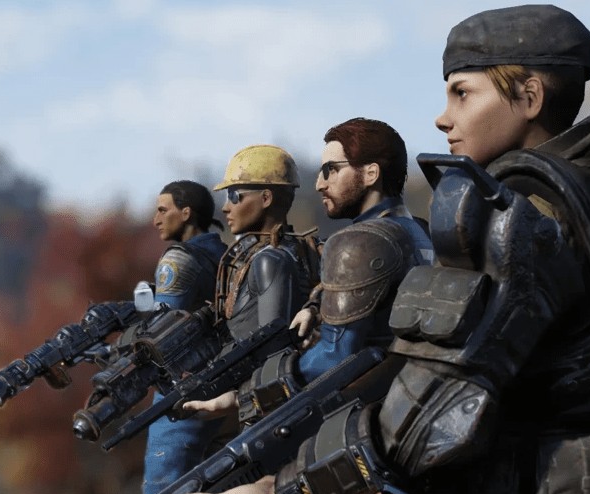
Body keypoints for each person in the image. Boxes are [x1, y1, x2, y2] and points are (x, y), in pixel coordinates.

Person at [186, 4, 590, 494]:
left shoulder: (517, 217)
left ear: (529, 98)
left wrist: (273, 491)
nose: (443, 117)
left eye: (462, 93)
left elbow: (425, 418)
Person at [184, 117, 434, 426]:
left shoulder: (358, 242)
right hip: (417, 404)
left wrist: (245, 397)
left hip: (370, 418)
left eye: (331, 170)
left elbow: (334, 356)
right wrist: (316, 305)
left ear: (371, 173)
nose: (319, 184)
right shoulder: (420, 231)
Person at [143, 148, 319, 494]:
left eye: (236, 196)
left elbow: (269, 346)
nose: (226, 207)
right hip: (247, 399)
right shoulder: (284, 251)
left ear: (266, 198)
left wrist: (232, 398)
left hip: (258, 408)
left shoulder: (270, 259)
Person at [141, 180, 228, 494]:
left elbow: (162, 333)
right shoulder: (225, 254)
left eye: (163, 210)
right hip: (225, 381)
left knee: (162, 487)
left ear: (187, 213)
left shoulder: (177, 261)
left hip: (182, 389)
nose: (156, 220)